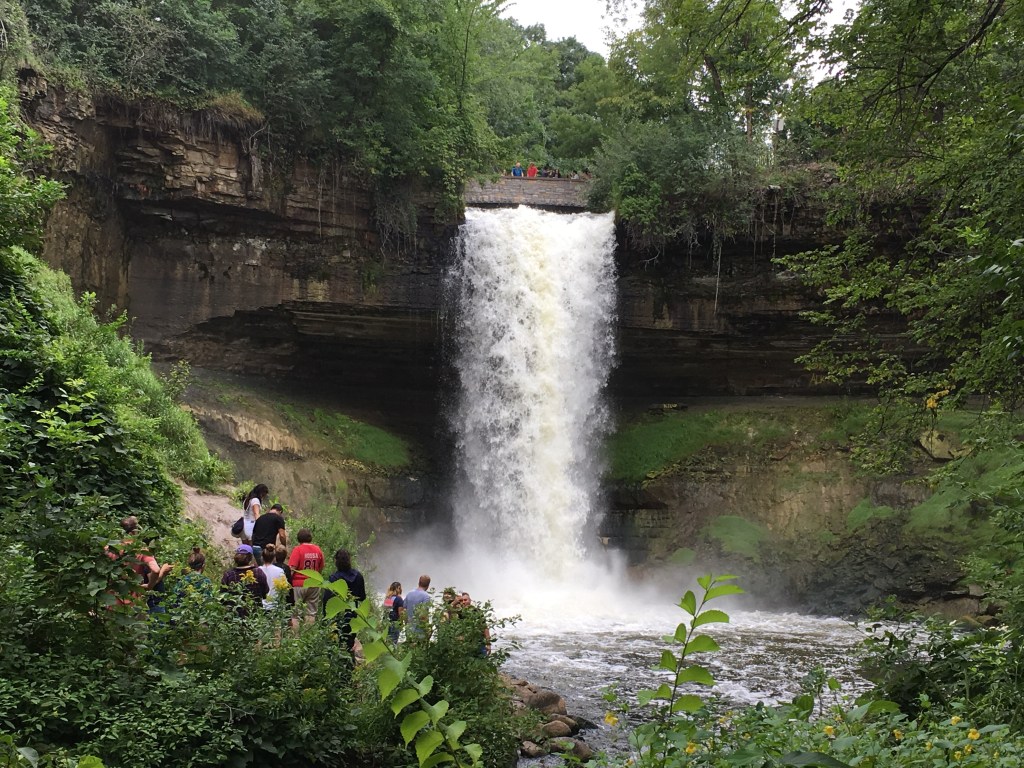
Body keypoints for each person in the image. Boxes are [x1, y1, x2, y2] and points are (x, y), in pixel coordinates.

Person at [109, 515, 173, 610]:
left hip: (111, 603)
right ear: (134, 532)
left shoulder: (110, 548)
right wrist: (149, 586)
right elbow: (156, 570)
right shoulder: (141, 551)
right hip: (132, 605)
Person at [324, 549, 366, 657]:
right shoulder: (358, 576)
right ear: (349, 560)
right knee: (350, 643)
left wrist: (326, 617)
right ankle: (349, 663)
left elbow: (327, 599)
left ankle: (338, 663)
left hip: (338, 616)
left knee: (336, 643)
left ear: (336, 561)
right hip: (353, 615)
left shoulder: (334, 578)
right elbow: (362, 597)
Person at [288, 529, 324, 628]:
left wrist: (288, 582)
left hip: (299, 584)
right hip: (314, 583)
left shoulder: (298, 550)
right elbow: (321, 567)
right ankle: (309, 633)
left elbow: (292, 568)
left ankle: (296, 635)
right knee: (311, 613)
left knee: (296, 613)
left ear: (298, 539)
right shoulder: (318, 550)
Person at [221, 544, 269, 618]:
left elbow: (223, 597)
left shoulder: (228, 575)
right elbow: (265, 592)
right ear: (250, 558)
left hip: (234, 617)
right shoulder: (258, 572)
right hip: (255, 616)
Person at [457, 592, 492, 656]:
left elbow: (485, 628)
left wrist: (488, 644)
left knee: (482, 660)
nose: (463, 602)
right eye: (461, 601)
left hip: (479, 643)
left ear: (470, 600)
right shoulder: (459, 614)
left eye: (465, 600)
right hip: (466, 644)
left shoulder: (477, 611)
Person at [259, 543, 289, 611]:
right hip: (275, 606)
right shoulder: (279, 571)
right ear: (274, 558)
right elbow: (285, 588)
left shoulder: (257, 570)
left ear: (262, 557)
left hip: (261, 606)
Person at [403, 575, 432, 639]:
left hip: (409, 629)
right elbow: (424, 615)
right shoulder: (426, 596)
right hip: (420, 632)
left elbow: (404, 609)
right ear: (428, 585)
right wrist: (427, 629)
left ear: (419, 582)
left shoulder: (409, 593)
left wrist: (406, 624)